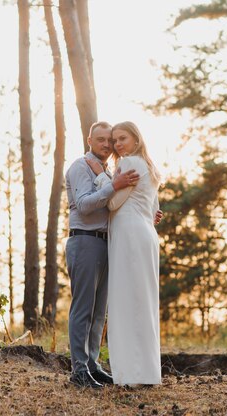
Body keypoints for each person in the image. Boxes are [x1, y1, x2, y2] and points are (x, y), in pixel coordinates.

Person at [64, 121, 140, 389]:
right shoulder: (80, 167)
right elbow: (84, 205)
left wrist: (145, 211)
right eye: (100, 140)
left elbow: (115, 206)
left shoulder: (107, 171)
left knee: (99, 312)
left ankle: (93, 366)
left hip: (106, 244)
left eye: (109, 140)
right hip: (84, 242)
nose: (107, 145)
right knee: (83, 309)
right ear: (89, 140)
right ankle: (78, 370)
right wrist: (114, 185)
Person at [86, 121, 162, 386]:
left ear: (136, 139)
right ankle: (147, 372)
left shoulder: (129, 163)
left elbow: (114, 203)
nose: (117, 145)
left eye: (122, 138)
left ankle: (131, 375)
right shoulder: (149, 166)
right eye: (114, 140)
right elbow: (154, 211)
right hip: (146, 235)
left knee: (127, 302)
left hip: (129, 235)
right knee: (144, 302)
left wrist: (101, 176)